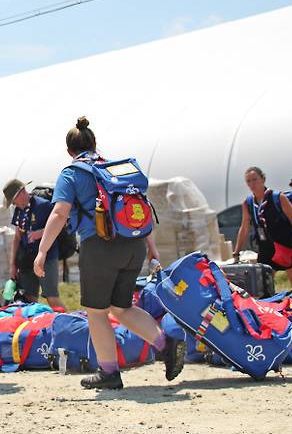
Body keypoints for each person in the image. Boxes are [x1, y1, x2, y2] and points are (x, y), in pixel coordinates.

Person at [33, 116, 185, 390]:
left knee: (96, 312)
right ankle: (165, 343)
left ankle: (109, 372)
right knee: (122, 306)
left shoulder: (72, 173)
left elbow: (59, 213)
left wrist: (42, 251)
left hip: (100, 248)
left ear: (70, 151)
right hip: (133, 246)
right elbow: (140, 210)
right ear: (95, 144)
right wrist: (152, 251)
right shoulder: (117, 170)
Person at [233, 167, 292, 312]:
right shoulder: (248, 203)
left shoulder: (278, 197)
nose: (252, 184)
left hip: (286, 248)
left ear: (263, 179)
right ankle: (278, 325)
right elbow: (244, 228)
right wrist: (236, 252)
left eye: (255, 179)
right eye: (248, 181)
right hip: (266, 251)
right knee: (262, 292)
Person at [4, 179, 66, 311]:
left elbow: (61, 225)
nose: (14, 204)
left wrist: (42, 232)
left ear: (21, 192)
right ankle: (33, 328)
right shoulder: (18, 211)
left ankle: (71, 325)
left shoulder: (43, 206)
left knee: (51, 297)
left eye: (13, 200)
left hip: (47, 257)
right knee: (29, 299)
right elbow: (17, 238)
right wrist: (13, 265)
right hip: (27, 260)